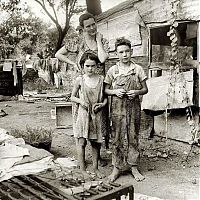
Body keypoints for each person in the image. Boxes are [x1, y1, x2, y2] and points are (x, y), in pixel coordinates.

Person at [55, 12, 109, 167]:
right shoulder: (77, 41)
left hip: (98, 85)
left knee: (98, 119)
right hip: (83, 85)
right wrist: (73, 64)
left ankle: (97, 158)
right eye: (88, 26)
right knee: (82, 118)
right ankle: (82, 157)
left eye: (93, 24)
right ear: (82, 28)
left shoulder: (102, 40)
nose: (92, 28)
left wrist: (97, 40)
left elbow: (103, 59)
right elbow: (58, 54)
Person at [104, 38, 148, 182]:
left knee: (133, 136)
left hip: (133, 108)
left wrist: (136, 92)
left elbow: (145, 89)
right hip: (117, 109)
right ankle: (116, 167)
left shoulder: (138, 69)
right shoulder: (113, 70)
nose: (125, 54)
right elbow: (106, 90)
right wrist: (115, 91)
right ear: (116, 54)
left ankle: (133, 166)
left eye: (127, 51)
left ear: (131, 52)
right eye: (121, 52)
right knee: (117, 138)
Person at [71, 51, 107, 179]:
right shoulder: (80, 80)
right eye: (87, 66)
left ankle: (95, 168)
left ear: (97, 66)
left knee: (96, 143)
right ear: (82, 66)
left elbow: (106, 98)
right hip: (83, 114)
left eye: (93, 65)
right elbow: (72, 97)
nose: (90, 69)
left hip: (96, 115)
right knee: (81, 141)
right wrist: (81, 101)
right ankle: (83, 170)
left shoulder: (102, 79)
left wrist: (102, 104)